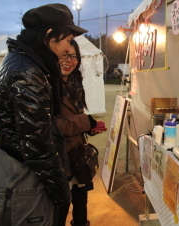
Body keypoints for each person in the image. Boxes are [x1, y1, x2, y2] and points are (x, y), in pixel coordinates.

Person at [0, 4, 88, 225]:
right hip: (21, 178)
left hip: (13, 169)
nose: (68, 49)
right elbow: (37, 143)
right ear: (49, 35)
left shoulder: (20, 60)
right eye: (67, 40)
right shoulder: (28, 71)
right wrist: (61, 191)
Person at [56, 40, 105, 226]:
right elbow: (52, 126)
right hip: (59, 159)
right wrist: (86, 122)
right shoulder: (46, 86)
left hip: (78, 157)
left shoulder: (74, 83)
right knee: (60, 207)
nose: (69, 60)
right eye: (64, 55)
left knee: (81, 202)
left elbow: (73, 118)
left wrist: (90, 127)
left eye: (74, 56)